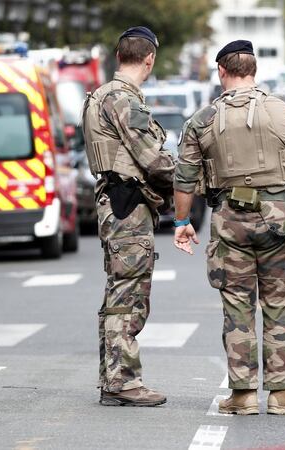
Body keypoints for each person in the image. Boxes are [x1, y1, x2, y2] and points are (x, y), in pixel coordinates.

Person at [172, 40, 285, 415]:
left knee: (237, 306)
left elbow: (185, 177)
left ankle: (242, 395)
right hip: (281, 220)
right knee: (282, 303)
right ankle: (284, 393)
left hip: (229, 222)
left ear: (221, 71)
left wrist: (181, 222)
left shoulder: (202, 119)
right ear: (255, 71)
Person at [81, 26, 174, 407]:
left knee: (118, 291)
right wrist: (191, 178)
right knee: (129, 294)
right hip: (128, 203)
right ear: (149, 59)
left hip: (115, 200)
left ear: (119, 55)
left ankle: (113, 380)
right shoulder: (123, 100)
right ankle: (123, 382)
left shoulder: (99, 96)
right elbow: (152, 159)